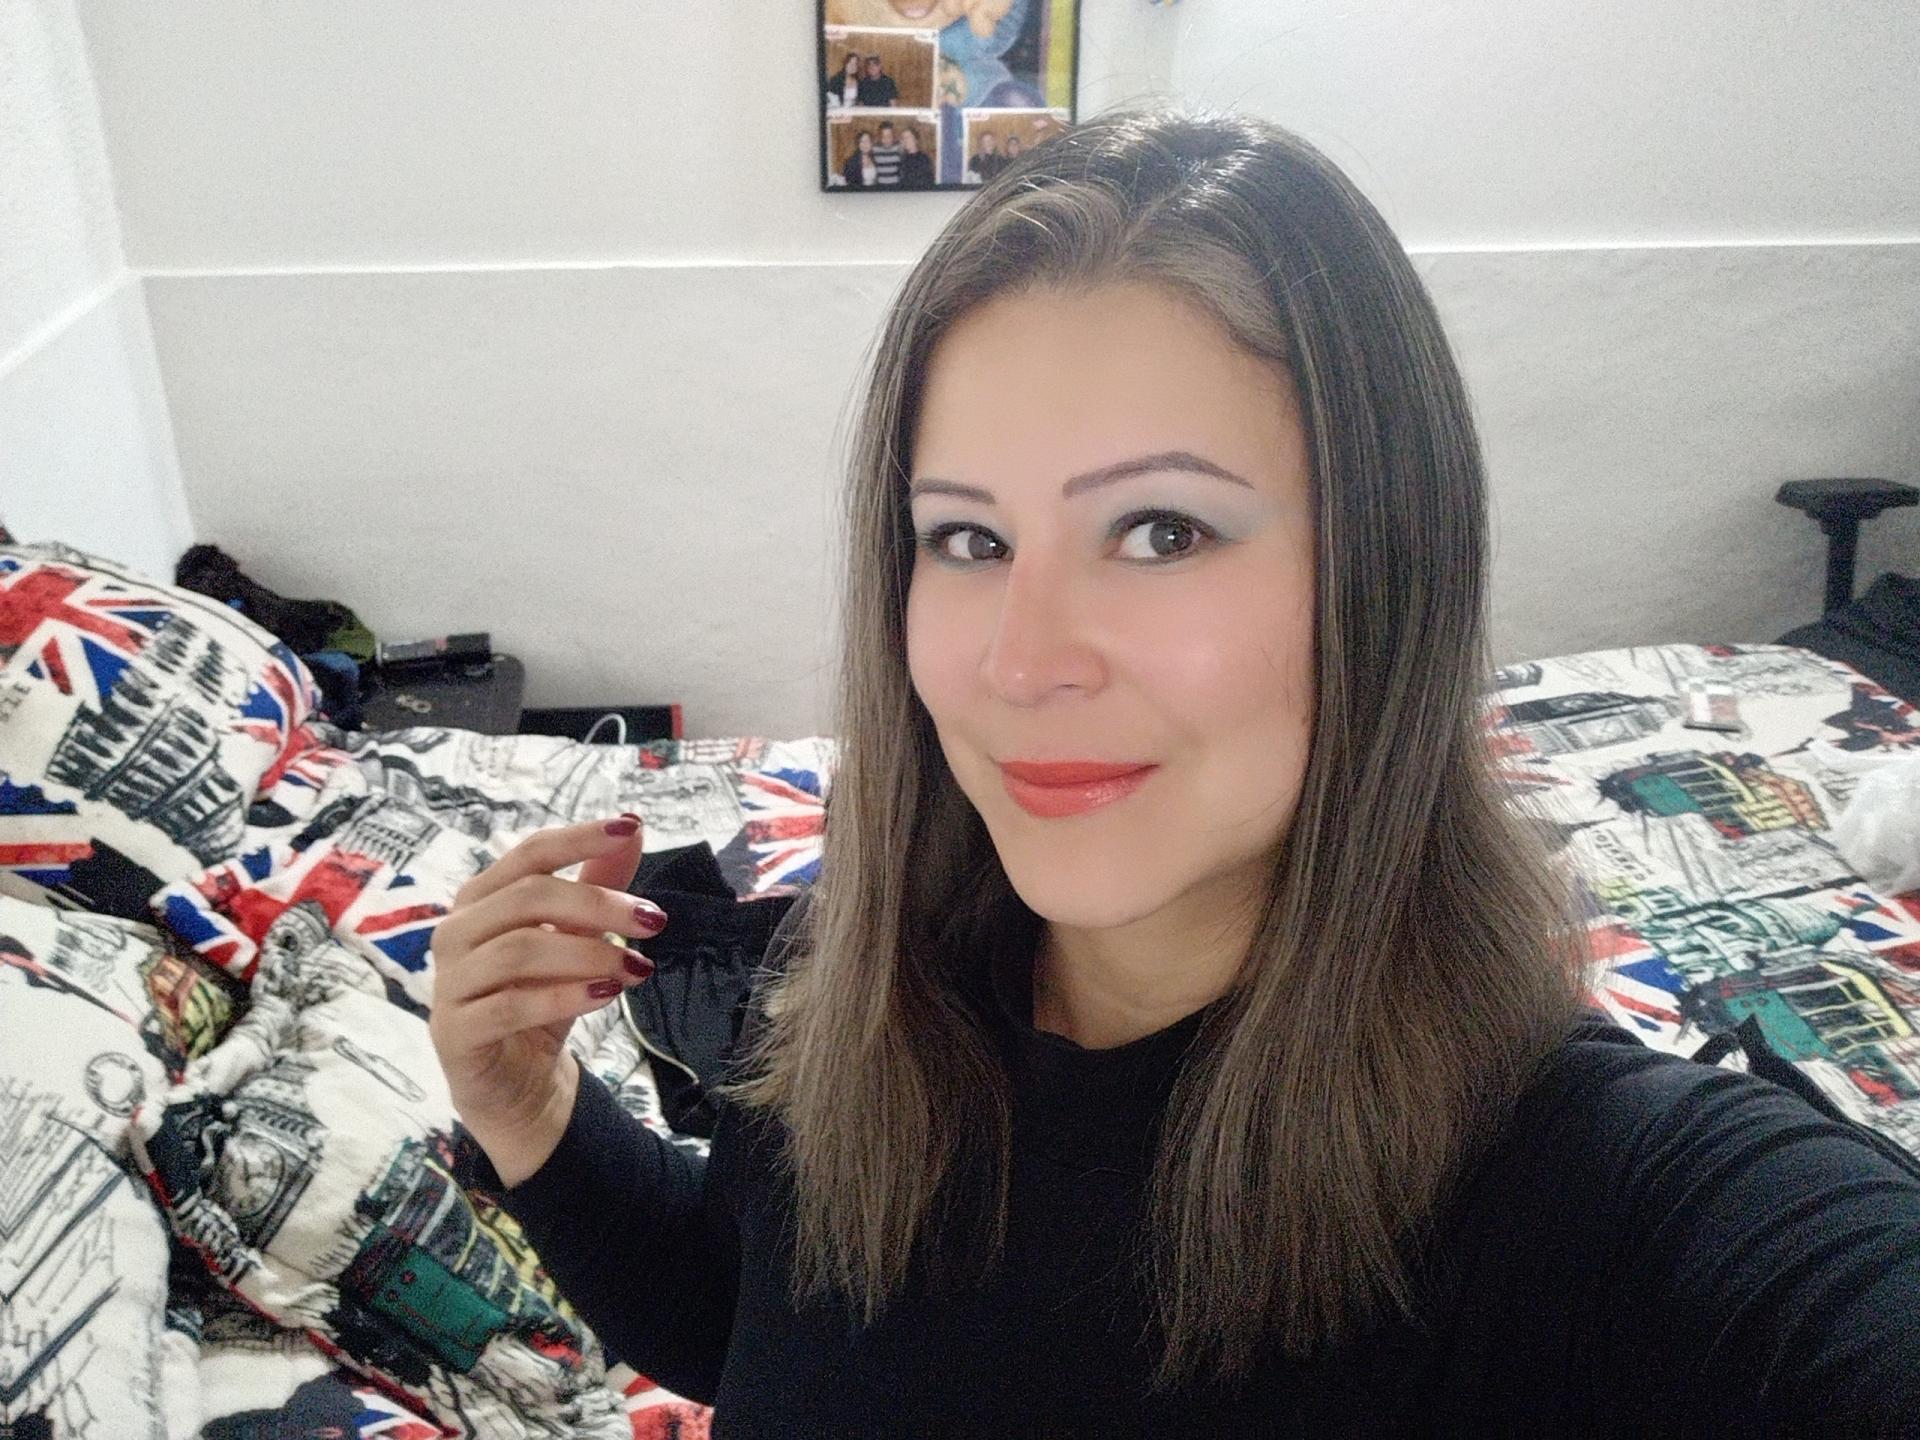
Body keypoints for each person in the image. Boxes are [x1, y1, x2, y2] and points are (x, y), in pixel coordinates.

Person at [429, 108, 1920, 1434]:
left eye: (1161, 532)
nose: (1021, 662)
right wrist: (526, 1107)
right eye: (968, 538)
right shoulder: (864, 981)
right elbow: (766, 1326)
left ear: (1386, 574)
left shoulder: (1593, 1199)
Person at [898, 125, 935, 189]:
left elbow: (928, 181)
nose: (905, 140)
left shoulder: (924, 159)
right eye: (903, 138)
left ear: (915, 139)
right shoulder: (902, 160)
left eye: (908, 137)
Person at [872, 121, 904, 186]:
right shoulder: (875, 149)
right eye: (883, 136)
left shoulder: (898, 148)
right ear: (880, 137)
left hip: (896, 186)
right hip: (880, 186)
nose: (886, 139)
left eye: (889, 136)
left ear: (893, 136)